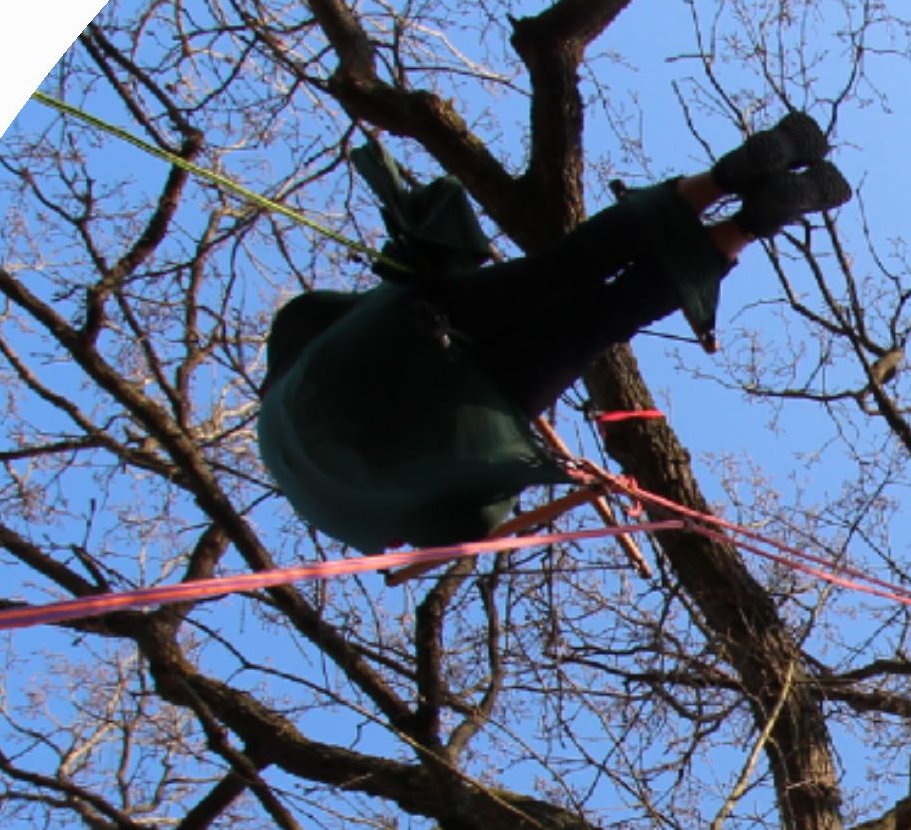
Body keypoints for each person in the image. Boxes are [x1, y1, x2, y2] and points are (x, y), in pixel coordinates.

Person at [254, 114, 850, 555]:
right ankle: (722, 179)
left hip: (473, 412)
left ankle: (750, 224)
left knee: (605, 317)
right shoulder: (277, 411)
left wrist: (515, 485)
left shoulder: (379, 519)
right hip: (403, 331)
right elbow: (308, 318)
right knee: (565, 266)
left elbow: (473, 522)